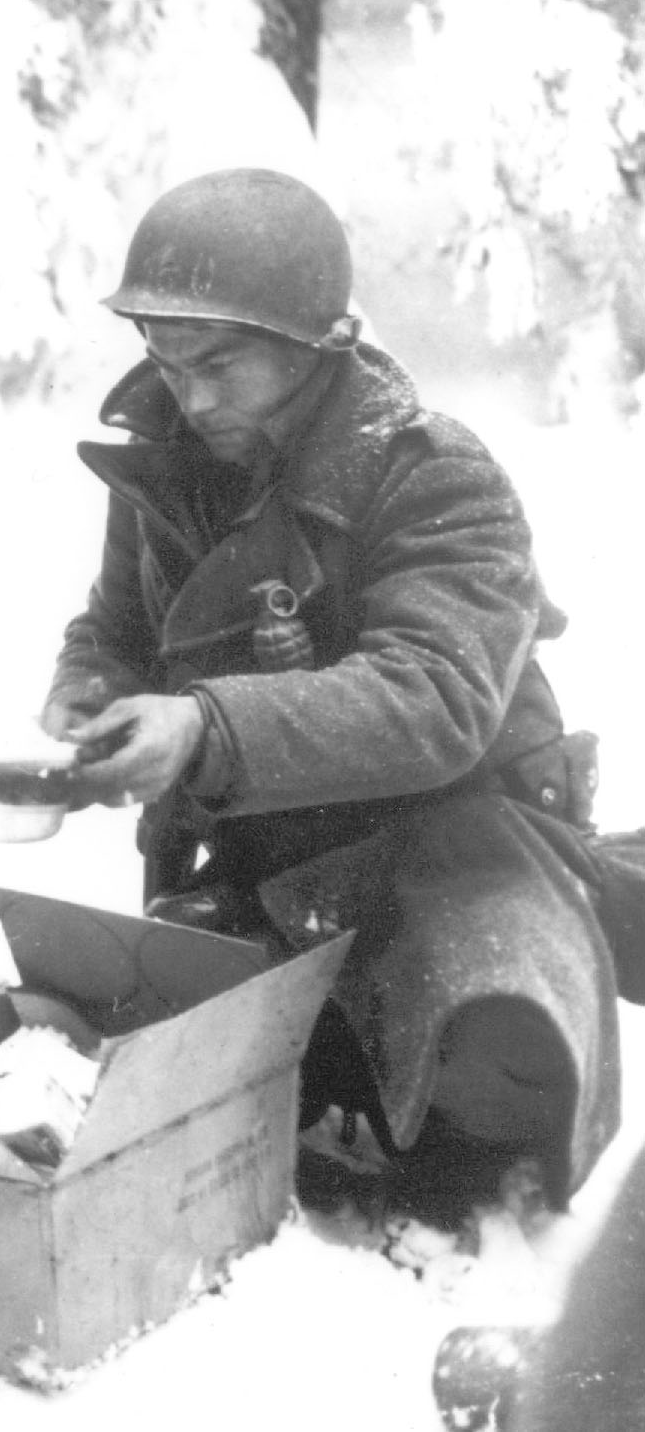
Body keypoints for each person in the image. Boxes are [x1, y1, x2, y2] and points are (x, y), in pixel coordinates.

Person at [43, 169, 622, 1224]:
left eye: (221, 362)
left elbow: (437, 697)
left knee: (493, 1075)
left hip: (455, 852)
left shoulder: (433, 473)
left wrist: (206, 727)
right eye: (167, 363)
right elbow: (118, 630)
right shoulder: (170, 465)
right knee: (103, 1059)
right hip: (272, 862)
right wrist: (93, 690)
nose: (193, 397)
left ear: (320, 344)